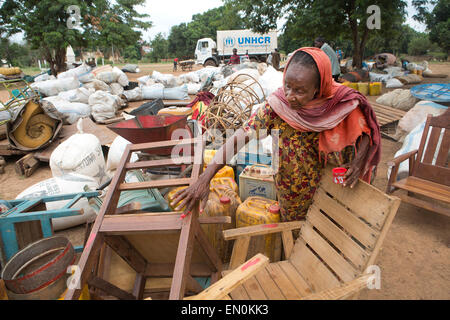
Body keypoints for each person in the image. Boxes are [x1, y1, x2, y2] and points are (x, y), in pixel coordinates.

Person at [171, 47, 381, 222]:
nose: (290, 96)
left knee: (328, 238)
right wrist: (205, 178)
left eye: (300, 91)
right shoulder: (278, 106)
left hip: (332, 191)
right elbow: (239, 138)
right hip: (292, 191)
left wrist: (357, 162)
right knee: (294, 237)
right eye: (287, 86)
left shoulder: (341, 104)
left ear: (318, 88)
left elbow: (365, 133)